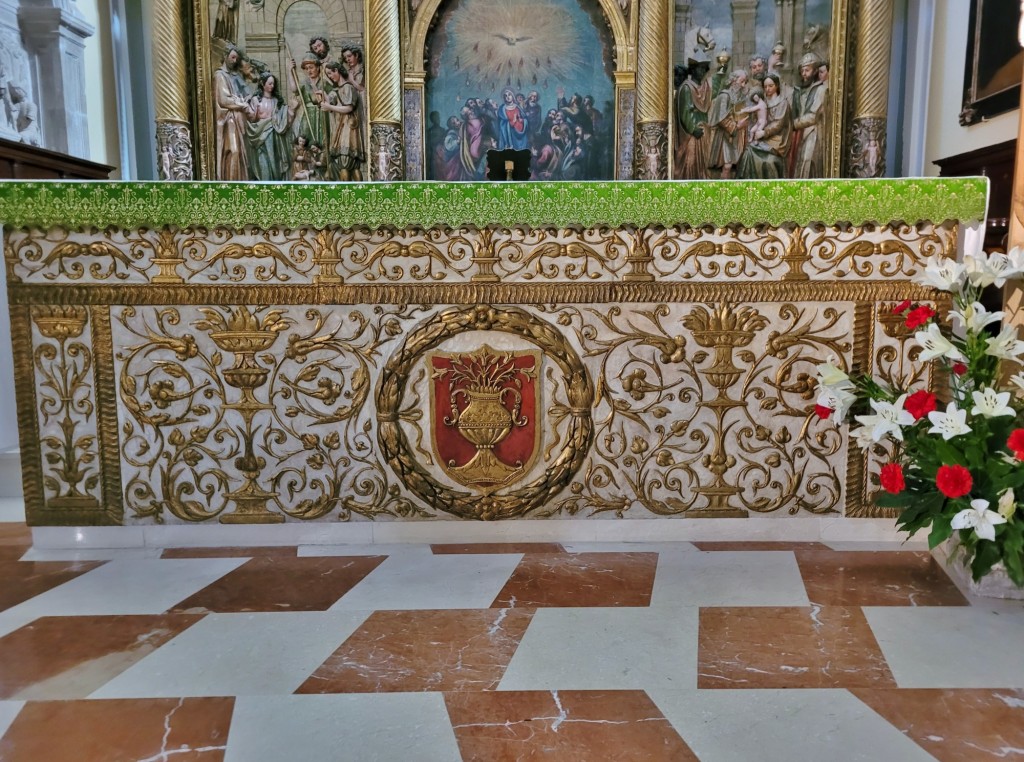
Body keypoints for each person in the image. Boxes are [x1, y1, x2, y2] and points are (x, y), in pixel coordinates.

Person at [737, 73, 792, 179]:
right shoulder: (763, 102)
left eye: (770, 86)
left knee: (769, 161)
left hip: (777, 140)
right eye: (765, 86)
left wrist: (764, 132)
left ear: (777, 86)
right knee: (748, 153)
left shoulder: (782, 103)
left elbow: (778, 124)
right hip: (762, 138)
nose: (768, 89)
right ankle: (746, 185)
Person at [245, 72, 293, 181]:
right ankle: (264, 182)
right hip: (259, 135)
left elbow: (282, 118)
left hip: (274, 136)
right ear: (262, 84)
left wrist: (291, 109)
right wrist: (251, 107)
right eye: (270, 83)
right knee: (263, 162)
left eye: (273, 84)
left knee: (274, 161)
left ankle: (275, 182)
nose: (272, 86)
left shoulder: (276, 101)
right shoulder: (256, 100)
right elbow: (252, 118)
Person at [321, 61, 365, 180]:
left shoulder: (348, 87)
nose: (330, 76)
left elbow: (348, 107)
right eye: (328, 75)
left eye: (330, 73)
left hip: (348, 129)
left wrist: (329, 107)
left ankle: (346, 193)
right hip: (341, 127)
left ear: (337, 70)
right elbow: (331, 102)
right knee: (349, 164)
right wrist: (322, 94)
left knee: (345, 163)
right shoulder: (337, 90)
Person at [213, 45, 250, 180]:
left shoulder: (233, 76)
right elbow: (223, 100)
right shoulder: (220, 75)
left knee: (239, 153)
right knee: (233, 151)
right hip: (227, 120)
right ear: (225, 57)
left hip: (236, 120)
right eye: (232, 57)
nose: (235, 61)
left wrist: (242, 100)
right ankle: (230, 183)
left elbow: (238, 95)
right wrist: (241, 104)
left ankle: (239, 181)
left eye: (236, 58)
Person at [673, 58, 711, 180]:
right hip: (691, 135)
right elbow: (685, 112)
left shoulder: (701, 88)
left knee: (701, 164)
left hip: (702, 132)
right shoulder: (686, 88)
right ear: (693, 70)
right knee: (690, 161)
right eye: (700, 68)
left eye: (704, 69)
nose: (702, 71)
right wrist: (693, 129)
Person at [706, 69, 748, 179]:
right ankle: (722, 189)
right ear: (734, 81)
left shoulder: (739, 96)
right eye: (742, 81)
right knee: (727, 165)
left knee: (734, 164)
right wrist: (737, 126)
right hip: (724, 136)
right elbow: (721, 119)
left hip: (736, 136)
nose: (743, 85)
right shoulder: (724, 96)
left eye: (745, 82)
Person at [790, 52, 827, 178]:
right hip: (799, 134)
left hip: (813, 132)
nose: (804, 74)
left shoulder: (821, 90)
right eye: (802, 71)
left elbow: (813, 116)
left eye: (807, 70)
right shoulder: (799, 91)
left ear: (816, 71)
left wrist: (792, 124)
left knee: (808, 161)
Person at [292, 54, 330, 153]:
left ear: (317, 68)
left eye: (311, 67)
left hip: (321, 114)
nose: (309, 71)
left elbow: (328, 99)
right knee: (306, 137)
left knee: (321, 138)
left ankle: (321, 161)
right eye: (306, 68)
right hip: (308, 114)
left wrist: (314, 86)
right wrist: (290, 70)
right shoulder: (304, 83)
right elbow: (294, 89)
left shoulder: (324, 83)